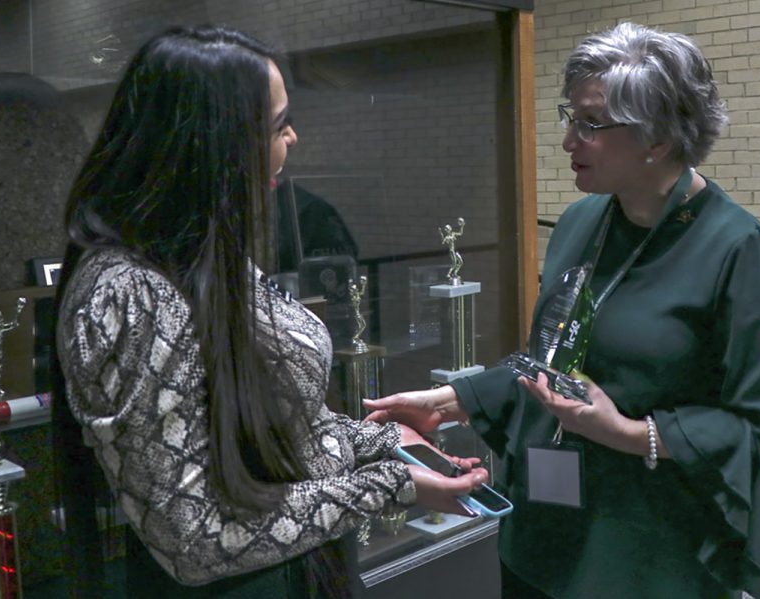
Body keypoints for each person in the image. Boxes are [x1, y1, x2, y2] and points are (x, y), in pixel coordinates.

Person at [365, 22, 760, 599]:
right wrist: (452, 402)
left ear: (658, 138)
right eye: (569, 117)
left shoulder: (737, 249)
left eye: (591, 124)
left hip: (648, 550)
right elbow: (548, 363)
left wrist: (629, 433)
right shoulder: (581, 222)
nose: (569, 140)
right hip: (545, 526)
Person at [50, 25, 487, 599]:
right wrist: (388, 484)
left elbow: (275, 430)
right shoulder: (128, 295)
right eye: (278, 126)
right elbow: (197, 540)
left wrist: (379, 438)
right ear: (214, 143)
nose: (294, 139)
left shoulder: (201, 255)